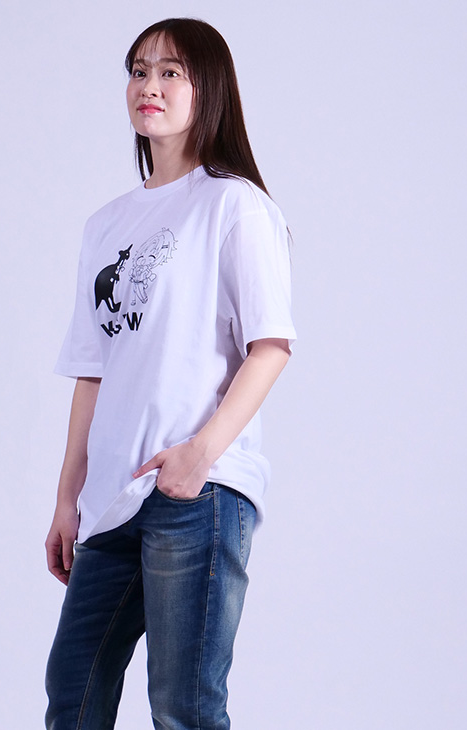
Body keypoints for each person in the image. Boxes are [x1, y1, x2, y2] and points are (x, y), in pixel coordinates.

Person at [44, 17, 297, 730]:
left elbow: (270, 346)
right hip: (113, 498)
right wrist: (68, 498)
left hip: (197, 490)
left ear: (207, 88)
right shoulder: (106, 224)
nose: (148, 85)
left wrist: (198, 455)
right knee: (73, 693)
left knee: (183, 707)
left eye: (170, 72)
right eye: (138, 70)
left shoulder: (235, 204)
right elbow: (93, 371)